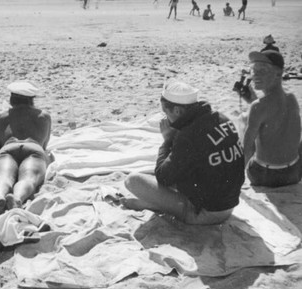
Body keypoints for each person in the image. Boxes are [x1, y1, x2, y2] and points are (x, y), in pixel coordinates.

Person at [121, 79, 245, 225]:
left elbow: (163, 177)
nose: (166, 118)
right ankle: (161, 204)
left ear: (177, 110)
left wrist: (167, 140)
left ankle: (160, 206)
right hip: (228, 206)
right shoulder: (221, 118)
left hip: (203, 214)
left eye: (166, 112)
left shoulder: (189, 135)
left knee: (133, 180)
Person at [0, 81, 52, 219]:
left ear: (11, 98)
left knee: (2, 178)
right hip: (33, 148)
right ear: (32, 99)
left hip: (9, 147)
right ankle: (18, 198)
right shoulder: (44, 116)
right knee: (29, 179)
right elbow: (44, 145)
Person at [242, 50, 302, 187]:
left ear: (279, 74)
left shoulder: (258, 107)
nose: (255, 74)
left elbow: (248, 149)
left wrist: (236, 179)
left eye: (262, 70)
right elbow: (274, 114)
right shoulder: (292, 99)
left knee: (243, 119)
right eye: (253, 69)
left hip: (264, 176)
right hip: (294, 174)